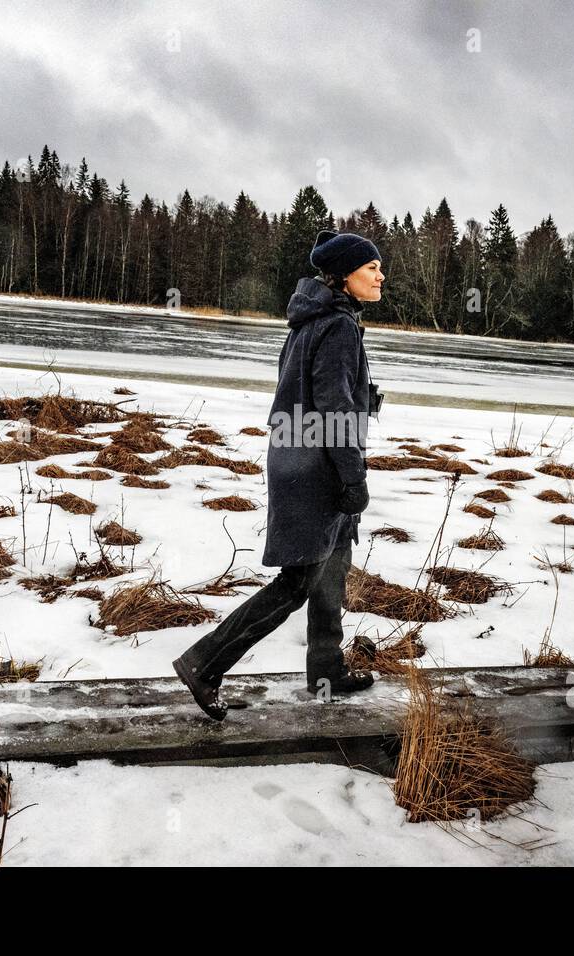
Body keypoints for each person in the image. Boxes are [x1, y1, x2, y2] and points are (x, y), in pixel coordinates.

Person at [172, 229, 385, 720]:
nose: (380, 275)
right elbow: (333, 409)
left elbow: (314, 396)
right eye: (371, 268)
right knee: (298, 581)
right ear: (344, 276)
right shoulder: (337, 327)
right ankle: (204, 664)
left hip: (299, 455)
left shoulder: (313, 321)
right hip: (316, 467)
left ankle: (327, 671)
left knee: (334, 567)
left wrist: (363, 400)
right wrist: (353, 477)